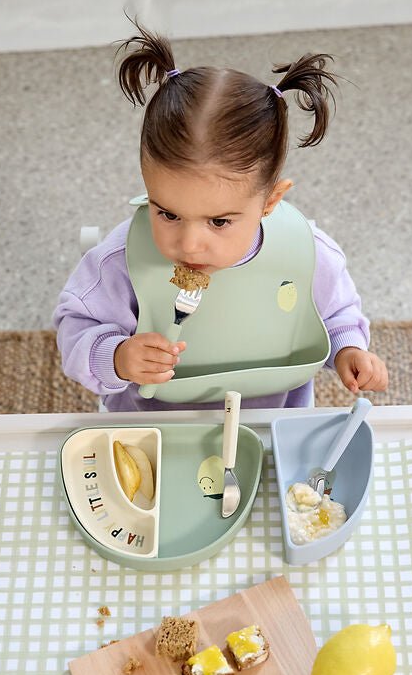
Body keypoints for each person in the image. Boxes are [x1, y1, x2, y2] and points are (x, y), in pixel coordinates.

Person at [53, 22, 388, 411]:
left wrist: (349, 350)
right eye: (168, 213)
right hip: (154, 428)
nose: (190, 244)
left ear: (269, 201)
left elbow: (335, 314)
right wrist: (116, 356)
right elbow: (76, 329)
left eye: (218, 221)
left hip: (271, 420)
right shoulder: (120, 263)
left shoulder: (307, 255)